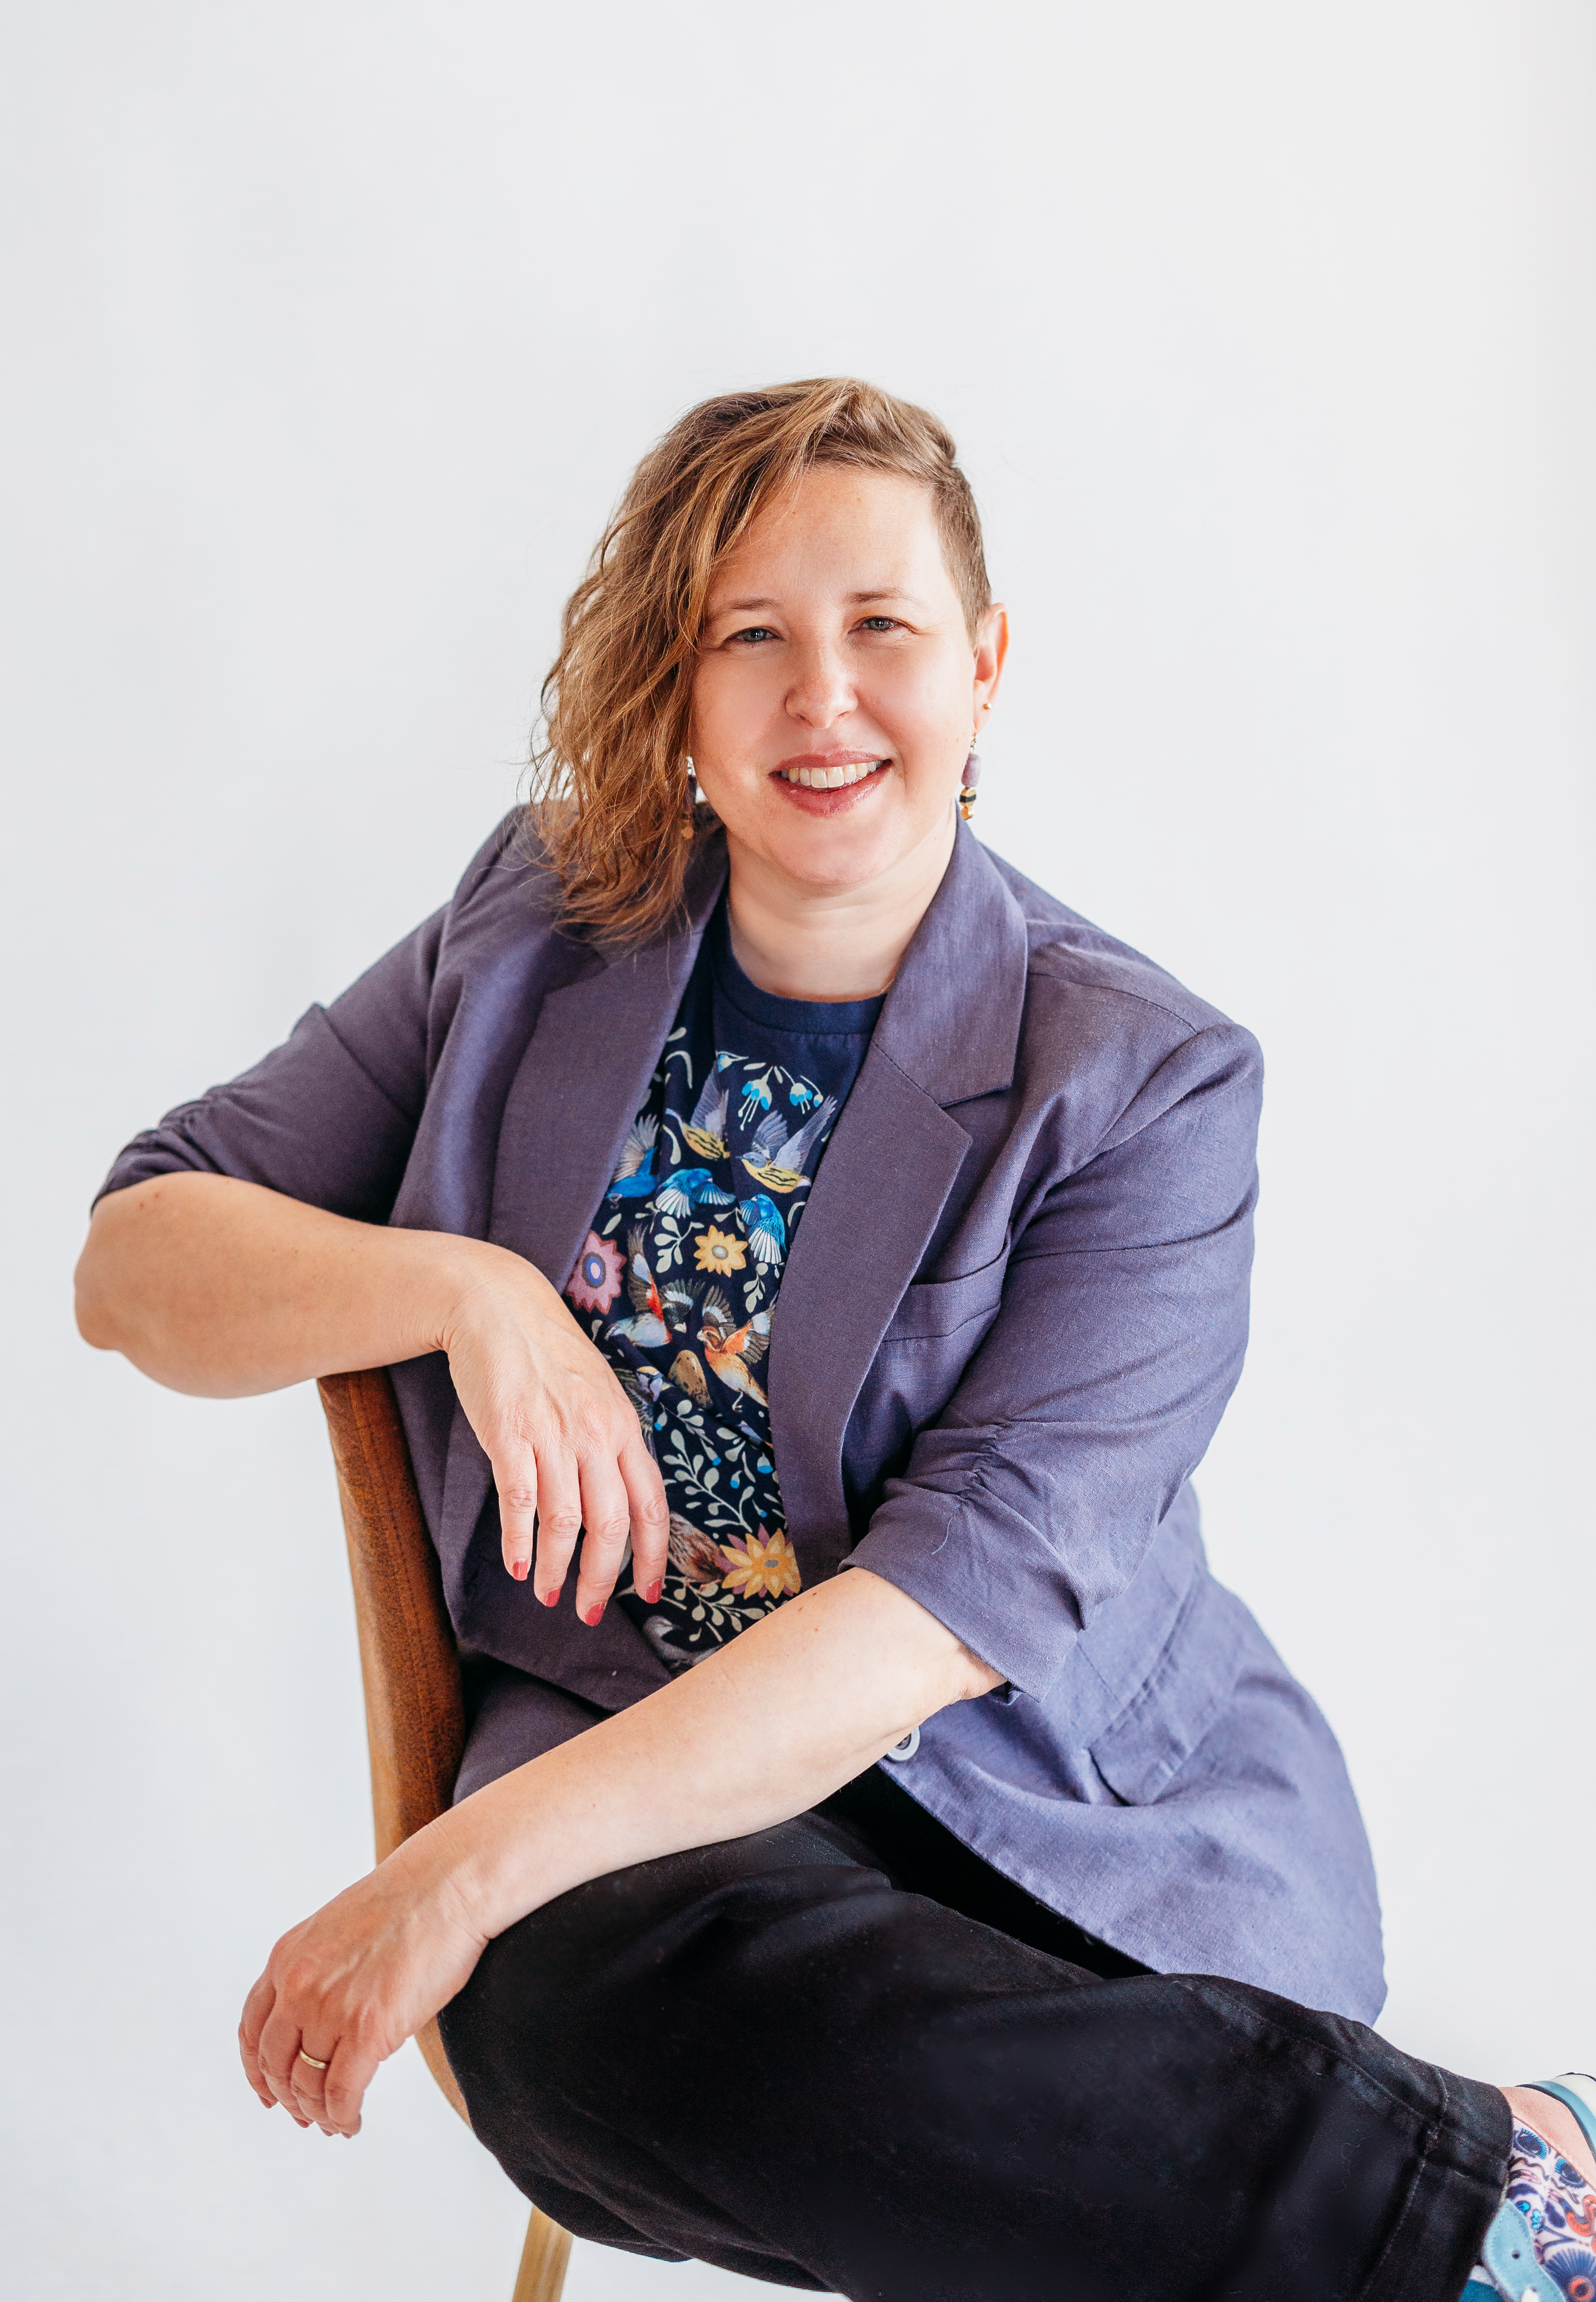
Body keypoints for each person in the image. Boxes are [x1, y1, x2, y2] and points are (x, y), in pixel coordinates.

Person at [76, 380, 1593, 2302]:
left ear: (984, 663)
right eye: (753, 637)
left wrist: (448, 1871)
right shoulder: (533, 918)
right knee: (564, 2029)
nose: (825, 697)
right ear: (681, 688)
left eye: (882, 627)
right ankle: (1466, 2205)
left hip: (1050, 1796)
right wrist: (471, 1292)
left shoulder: (1142, 1080)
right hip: (631, 1754)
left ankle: (1447, 2201)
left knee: (816, 2049)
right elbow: (135, 1260)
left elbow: (939, 1623)